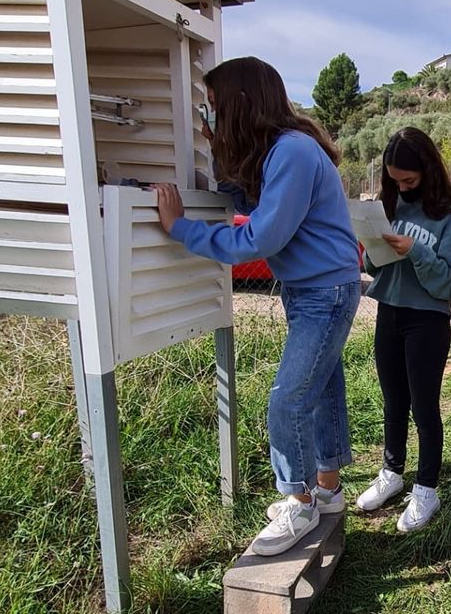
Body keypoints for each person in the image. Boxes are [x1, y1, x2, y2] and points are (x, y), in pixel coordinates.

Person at [153, 56, 361, 558]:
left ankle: (299, 500)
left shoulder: (291, 151)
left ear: (241, 104)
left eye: (214, 107)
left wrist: (180, 228)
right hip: (317, 287)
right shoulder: (281, 151)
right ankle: (328, 491)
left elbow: (259, 237)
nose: (210, 117)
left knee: (287, 399)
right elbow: (246, 193)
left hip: (324, 292)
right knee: (323, 388)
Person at [356, 128, 451, 533]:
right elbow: (373, 266)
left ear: (427, 169)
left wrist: (416, 250)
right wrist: (373, 248)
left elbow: (449, 283)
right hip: (389, 312)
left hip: (427, 320)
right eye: (395, 180)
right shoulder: (390, 202)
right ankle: (392, 472)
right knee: (392, 402)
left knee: (424, 408)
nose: (402, 187)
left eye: (409, 180)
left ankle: (427, 487)